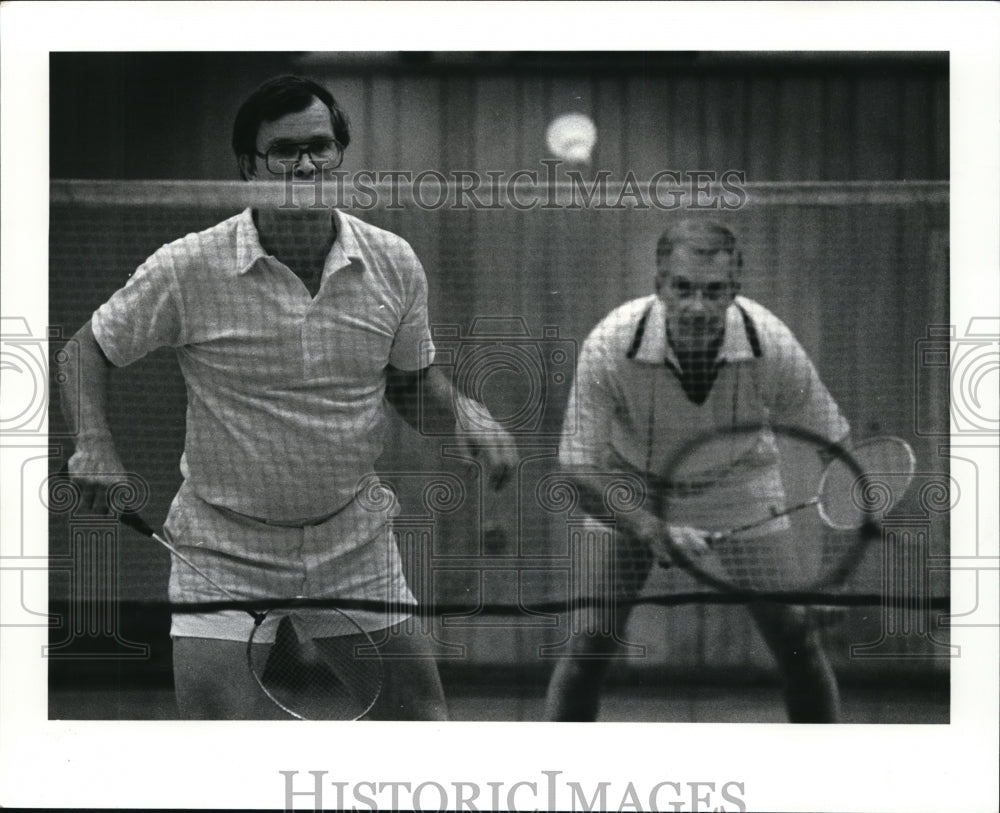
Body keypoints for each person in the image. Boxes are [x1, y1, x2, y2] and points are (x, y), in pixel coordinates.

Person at [60, 75, 517, 720]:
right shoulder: (188, 266)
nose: (305, 164)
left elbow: (409, 383)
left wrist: (464, 417)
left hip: (351, 539)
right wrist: (96, 447)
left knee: (419, 728)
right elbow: (86, 349)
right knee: (222, 754)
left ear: (339, 154)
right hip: (222, 545)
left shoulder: (392, 261)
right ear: (249, 165)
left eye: (320, 146)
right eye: (283, 150)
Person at [543, 218, 849, 723]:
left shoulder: (769, 342)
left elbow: (836, 446)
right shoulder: (610, 344)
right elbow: (577, 468)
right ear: (659, 285)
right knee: (591, 643)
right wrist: (650, 528)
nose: (697, 306)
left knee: (797, 640)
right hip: (632, 488)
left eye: (714, 291)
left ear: (735, 290)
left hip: (738, 484)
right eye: (682, 288)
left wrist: (836, 575)